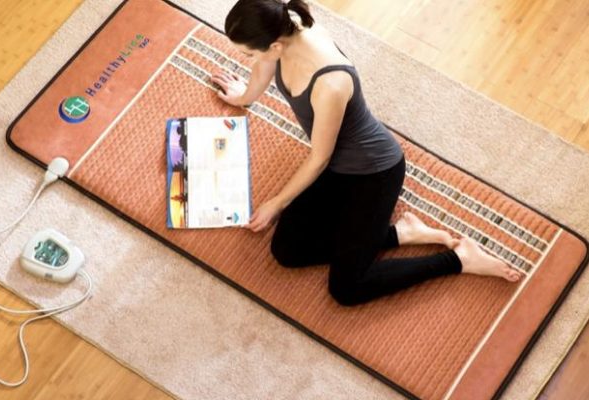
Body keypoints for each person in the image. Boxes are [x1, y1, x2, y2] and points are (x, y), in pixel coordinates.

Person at [211, 0, 523, 306]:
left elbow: (318, 158)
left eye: (248, 52)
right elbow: (263, 65)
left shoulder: (330, 83)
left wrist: (276, 202)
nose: (247, 58)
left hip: (373, 172)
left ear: (276, 45)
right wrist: (243, 98)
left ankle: (458, 259)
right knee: (287, 251)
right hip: (335, 164)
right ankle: (401, 233)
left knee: (347, 288)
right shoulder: (283, 22)